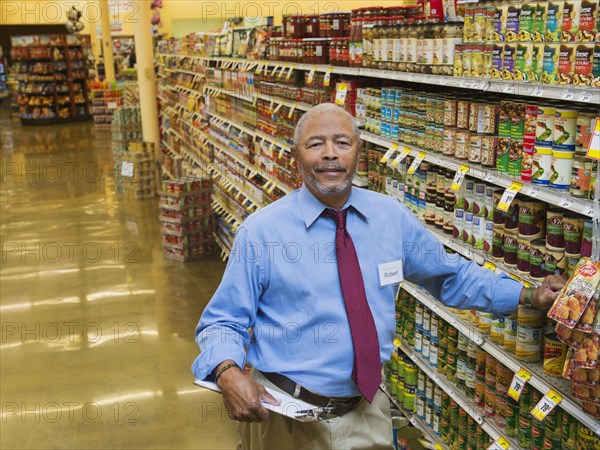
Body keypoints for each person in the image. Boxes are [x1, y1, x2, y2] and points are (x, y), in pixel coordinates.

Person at [192, 103, 565, 450]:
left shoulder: (390, 218)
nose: (330, 154)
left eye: (342, 142)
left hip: (366, 410)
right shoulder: (262, 232)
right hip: (283, 416)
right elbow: (223, 321)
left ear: (358, 152)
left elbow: (452, 277)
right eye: (315, 144)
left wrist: (528, 295)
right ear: (296, 156)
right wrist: (226, 373)